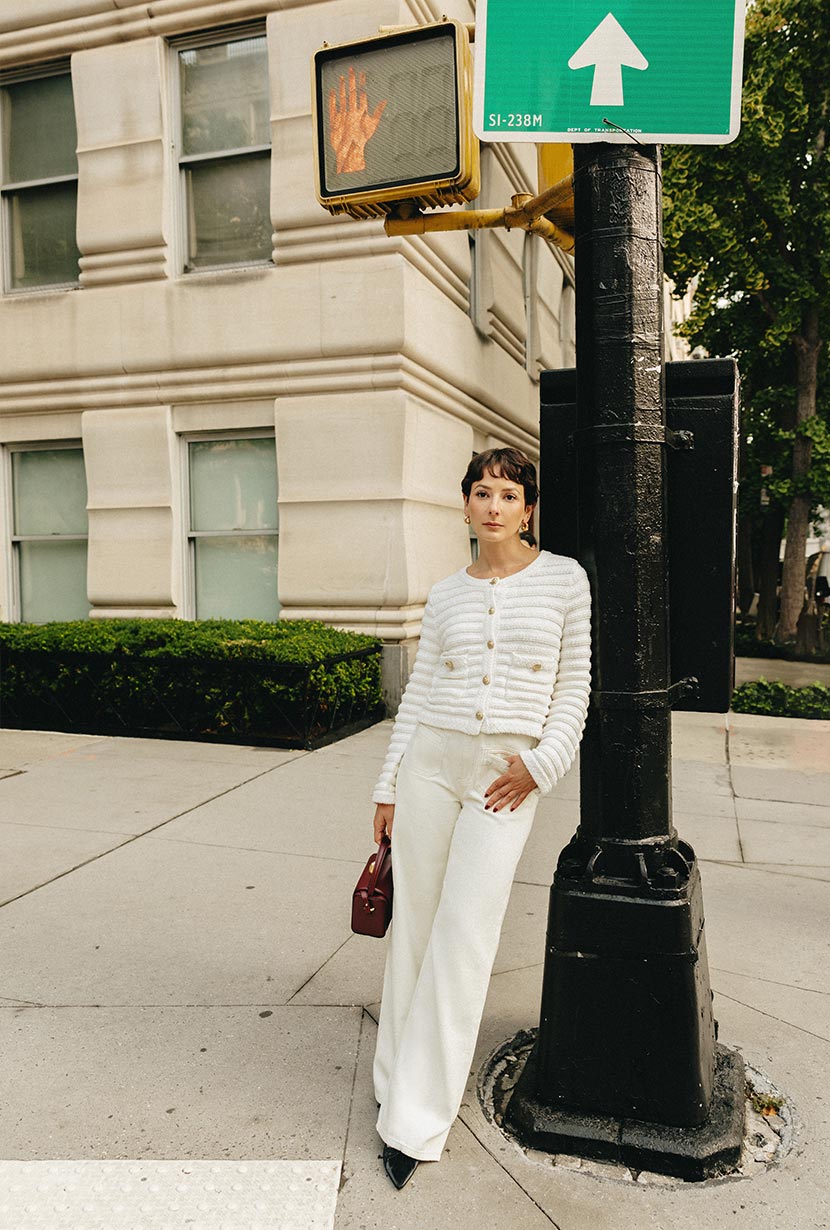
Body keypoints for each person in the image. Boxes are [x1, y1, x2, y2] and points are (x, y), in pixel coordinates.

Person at [370, 447, 592, 1189]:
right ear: (464, 505)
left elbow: (574, 688)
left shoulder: (564, 580)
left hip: (505, 776)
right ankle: (394, 1078)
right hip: (431, 764)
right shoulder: (445, 595)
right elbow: (419, 695)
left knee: (463, 936)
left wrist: (541, 764)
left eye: (508, 494)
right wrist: (388, 786)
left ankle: (414, 1122)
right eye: (481, 492)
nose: (493, 506)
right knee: (417, 929)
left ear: (528, 509)